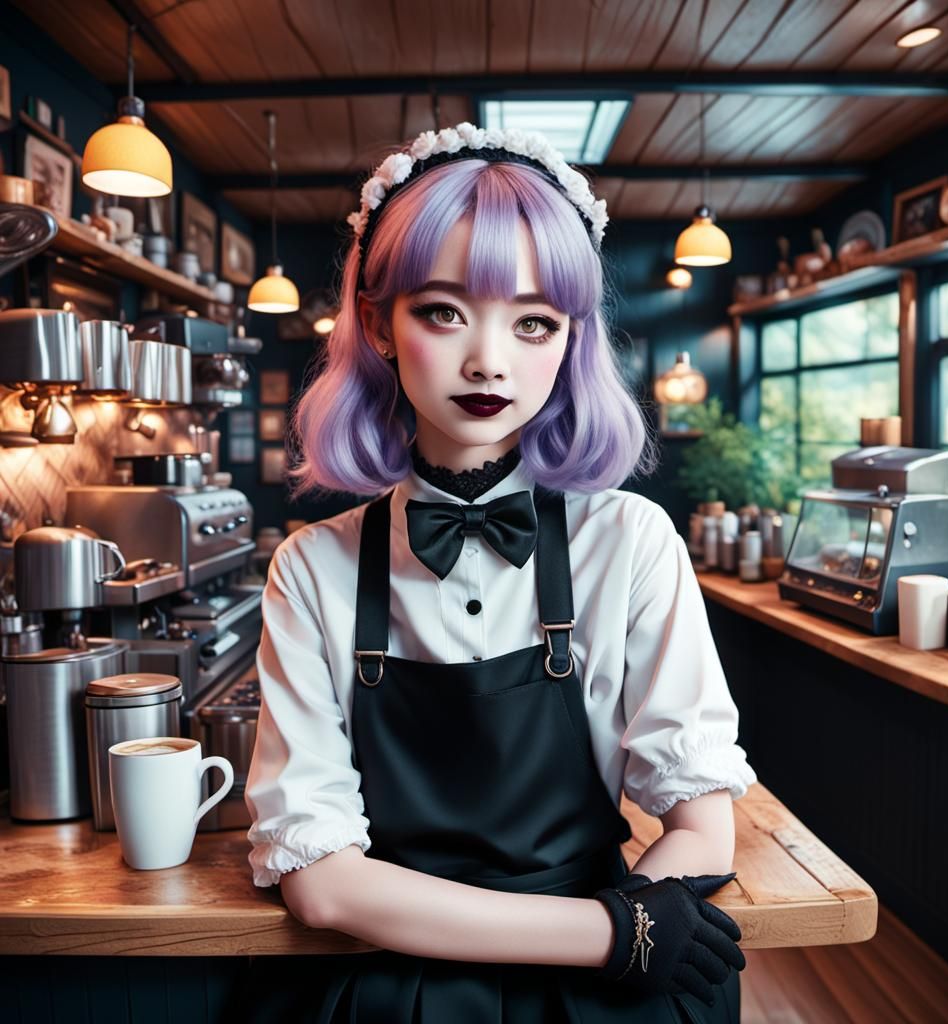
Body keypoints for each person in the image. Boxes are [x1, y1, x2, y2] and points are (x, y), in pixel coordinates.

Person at [236, 122, 757, 1024]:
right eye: (443, 310)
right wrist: (609, 932)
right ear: (376, 323)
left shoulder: (631, 540)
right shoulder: (311, 569)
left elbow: (702, 826)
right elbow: (321, 888)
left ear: (568, 341)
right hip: (398, 980)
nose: (490, 360)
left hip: (601, 994)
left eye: (534, 322)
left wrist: (614, 934)